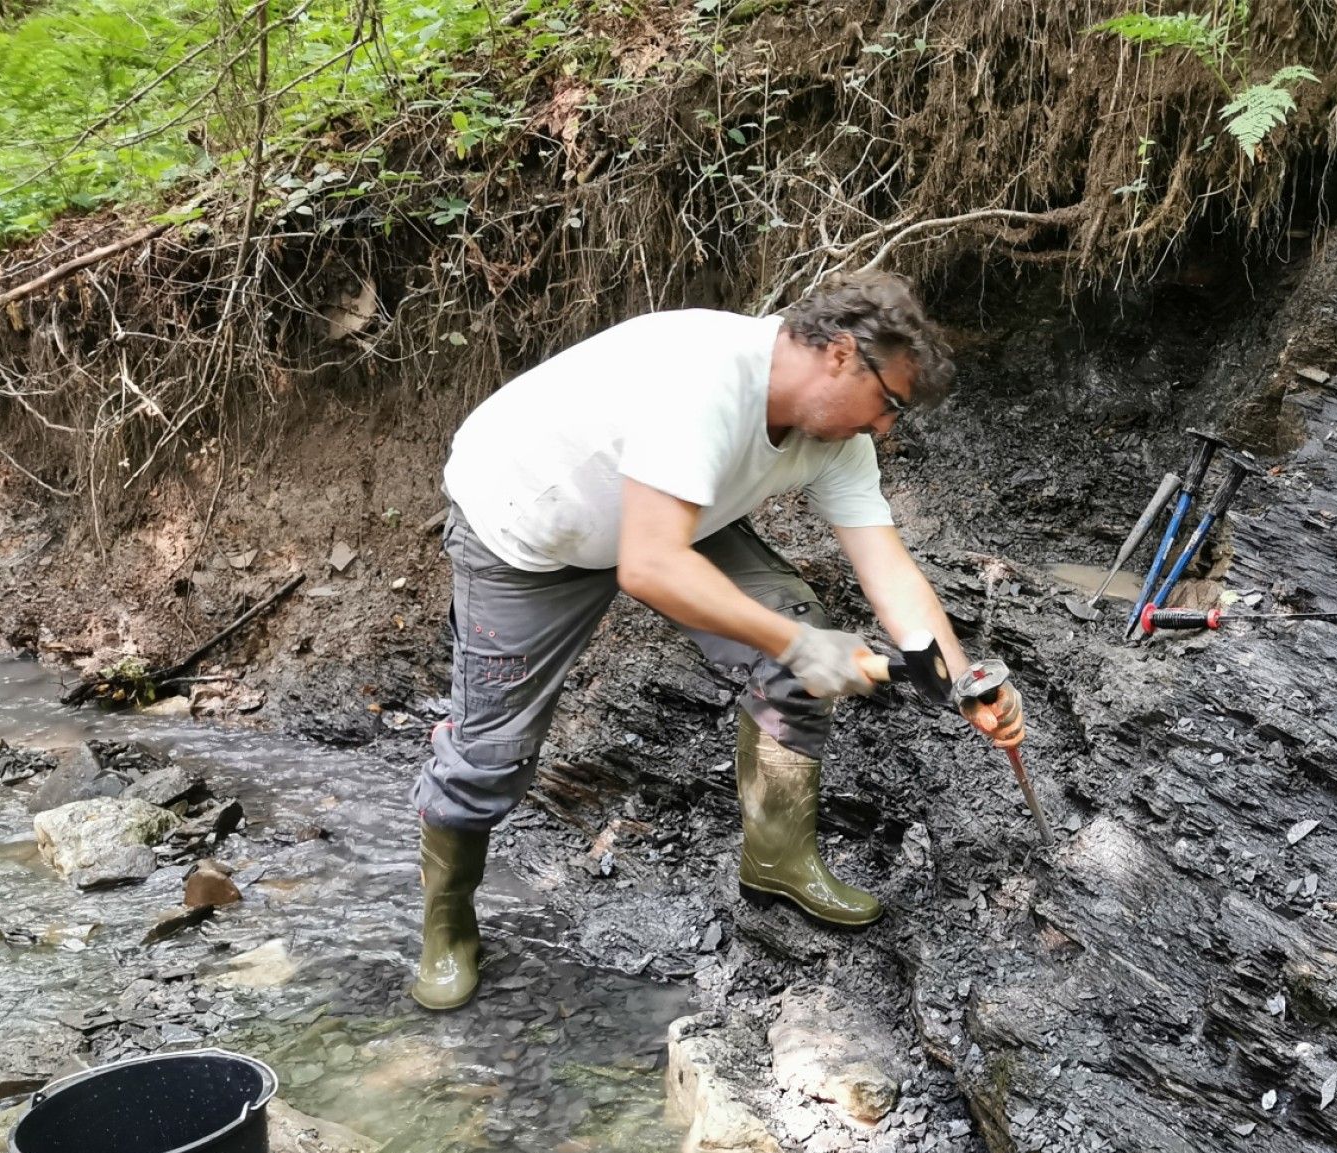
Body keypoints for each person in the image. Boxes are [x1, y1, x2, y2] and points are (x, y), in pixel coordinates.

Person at [406, 272, 1024, 1011]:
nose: (887, 428)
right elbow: (649, 567)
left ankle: (777, 860)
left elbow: (886, 564)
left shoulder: (835, 439)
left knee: (795, 642)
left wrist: (965, 680)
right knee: (488, 758)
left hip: (670, 516)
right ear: (838, 357)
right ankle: (446, 926)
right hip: (527, 530)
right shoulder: (707, 375)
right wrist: (801, 642)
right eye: (889, 404)